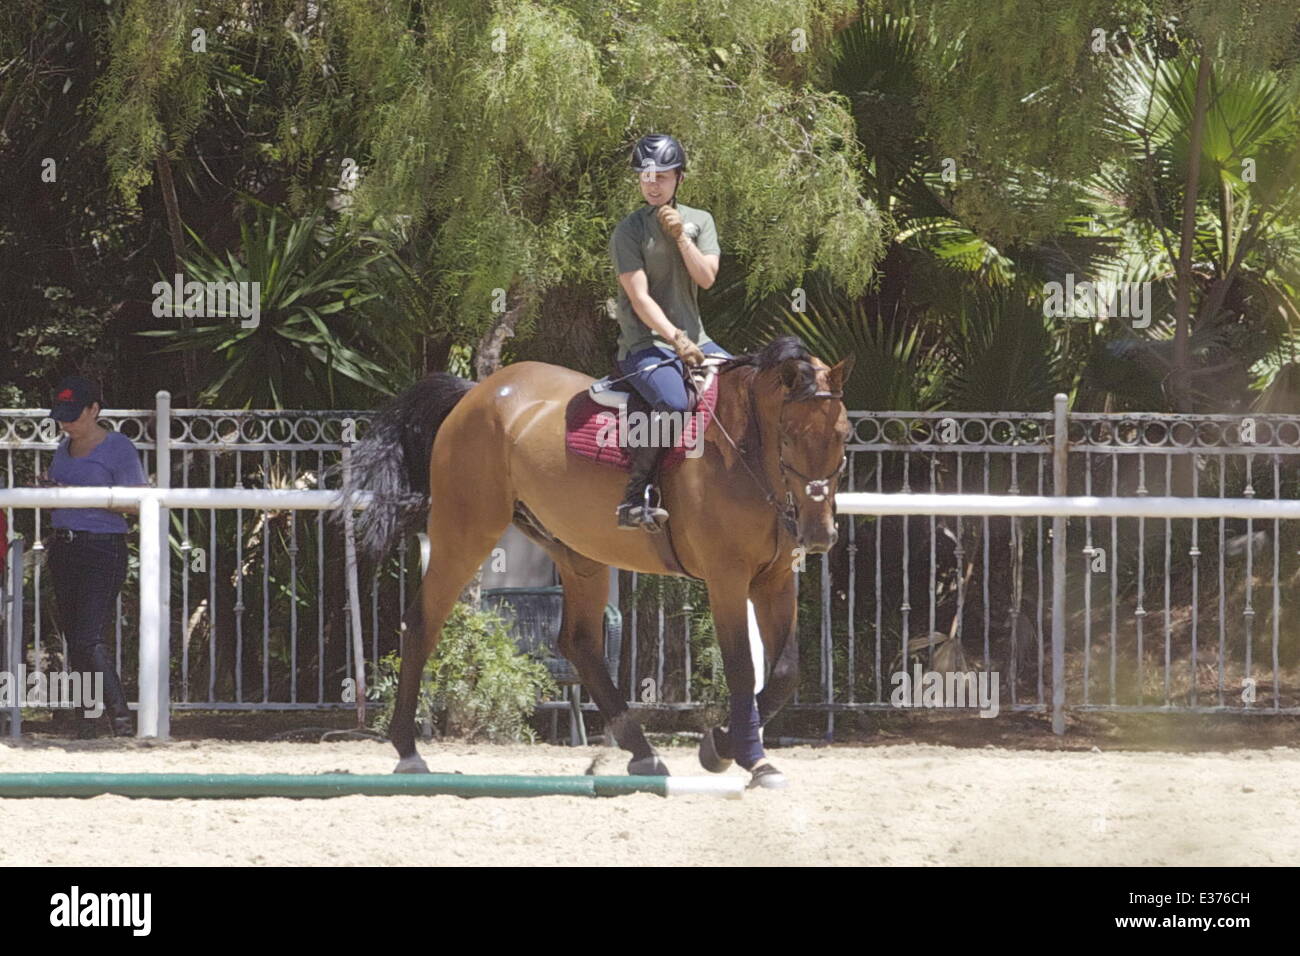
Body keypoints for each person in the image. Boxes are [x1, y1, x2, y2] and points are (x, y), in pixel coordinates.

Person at [609, 133, 732, 531]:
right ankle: (635, 499)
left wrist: (681, 237)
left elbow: (707, 277)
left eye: (661, 175)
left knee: (746, 391)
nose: (652, 183)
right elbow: (640, 298)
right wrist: (675, 338)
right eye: (645, 176)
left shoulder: (701, 220)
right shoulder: (628, 231)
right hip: (645, 344)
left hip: (702, 339)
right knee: (675, 405)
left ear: (680, 177)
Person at [42, 375, 148, 737]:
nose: (65, 422)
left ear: (94, 410)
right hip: (64, 547)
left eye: (73, 414)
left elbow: (138, 502)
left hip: (102, 548)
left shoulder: (118, 447)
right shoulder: (63, 446)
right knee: (76, 639)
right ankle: (87, 721)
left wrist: (79, 494)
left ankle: (120, 720)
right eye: (61, 415)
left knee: (88, 637)